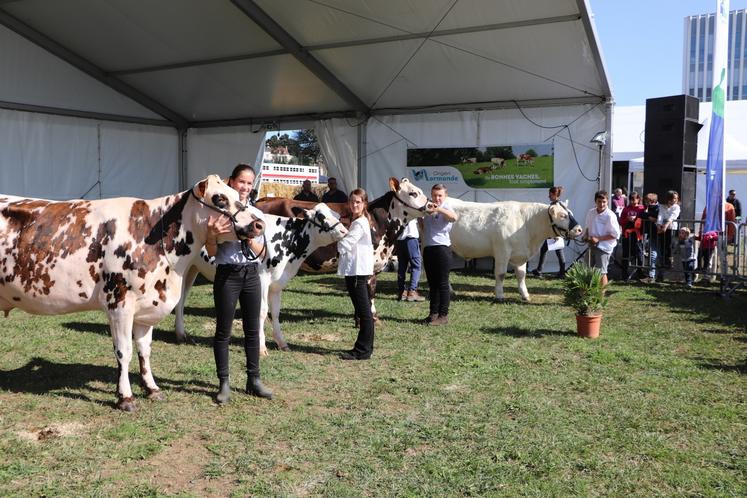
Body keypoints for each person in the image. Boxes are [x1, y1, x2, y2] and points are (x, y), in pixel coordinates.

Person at [206, 163, 273, 403]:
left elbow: (263, 253)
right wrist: (212, 235)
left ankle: (253, 379)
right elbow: (212, 252)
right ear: (231, 183)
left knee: (252, 329)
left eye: (249, 183)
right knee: (223, 331)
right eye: (241, 181)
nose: (244, 186)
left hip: (251, 273)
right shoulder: (219, 214)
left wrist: (249, 237)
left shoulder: (257, 215)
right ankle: (224, 383)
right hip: (227, 274)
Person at [337, 188, 375, 360]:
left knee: (364, 312)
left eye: (358, 202)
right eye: (352, 201)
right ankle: (364, 348)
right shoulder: (359, 220)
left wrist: (338, 237)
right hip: (356, 270)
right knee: (363, 311)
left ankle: (363, 350)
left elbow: (345, 245)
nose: (354, 205)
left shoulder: (359, 223)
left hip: (357, 271)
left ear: (364, 204)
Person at [422, 184, 458, 326]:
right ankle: (433, 314)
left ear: (445, 196)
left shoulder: (447, 207)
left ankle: (443, 316)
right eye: (434, 195)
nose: (437, 198)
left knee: (442, 284)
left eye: (440, 195)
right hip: (429, 248)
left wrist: (439, 209)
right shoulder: (429, 208)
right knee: (432, 284)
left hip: (442, 249)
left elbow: (454, 217)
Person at [582, 190, 621, 288]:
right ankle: (589, 293)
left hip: (604, 247)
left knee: (601, 272)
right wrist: (585, 236)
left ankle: (600, 297)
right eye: (599, 201)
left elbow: (616, 235)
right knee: (588, 270)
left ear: (607, 201)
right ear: (595, 201)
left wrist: (598, 239)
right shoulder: (591, 212)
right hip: (591, 245)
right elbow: (587, 228)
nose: (601, 204)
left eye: (604, 202)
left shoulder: (610, 215)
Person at [530, 186, 567, 278]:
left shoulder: (558, 205)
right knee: (547, 250)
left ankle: (560, 272)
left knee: (558, 252)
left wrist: (556, 234)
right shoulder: (557, 204)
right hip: (553, 232)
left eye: (550, 195)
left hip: (556, 233)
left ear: (555, 195)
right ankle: (540, 269)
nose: (549, 196)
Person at [396, 218, 426, 302]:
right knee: (416, 266)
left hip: (399, 240)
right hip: (411, 239)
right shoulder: (414, 206)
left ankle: (402, 292)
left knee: (402, 267)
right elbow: (421, 221)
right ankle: (412, 291)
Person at [619, 191, 646, 281]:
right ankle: (624, 275)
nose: (634, 201)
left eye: (635, 199)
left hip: (637, 235)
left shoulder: (642, 208)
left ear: (639, 199)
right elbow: (620, 222)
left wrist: (638, 220)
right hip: (627, 235)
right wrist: (627, 219)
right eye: (631, 199)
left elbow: (645, 220)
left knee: (639, 254)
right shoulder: (626, 209)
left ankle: (640, 273)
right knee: (626, 254)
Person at [655, 190, 681, 280]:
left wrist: (666, 225)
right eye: (674, 198)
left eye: (676, 198)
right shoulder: (662, 206)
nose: (675, 200)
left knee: (669, 245)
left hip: (671, 228)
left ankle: (669, 261)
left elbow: (673, 217)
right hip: (663, 228)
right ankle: (662, 262)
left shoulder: (676, 207)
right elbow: (660, 215)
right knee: (662, 245)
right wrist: (658, 225)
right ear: (669, 199)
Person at [640, 192, 660, 283]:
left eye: (647, 201)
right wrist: (649, 216)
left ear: (652, 201)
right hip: (651, 233)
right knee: (652, 253)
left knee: (654, 254)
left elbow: (656, 217)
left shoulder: (658, 208)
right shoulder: (649, 208)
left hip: (657, 233)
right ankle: (652, 275)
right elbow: (641, 215)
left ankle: (653, 275)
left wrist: (649, 216)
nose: (645, 203)